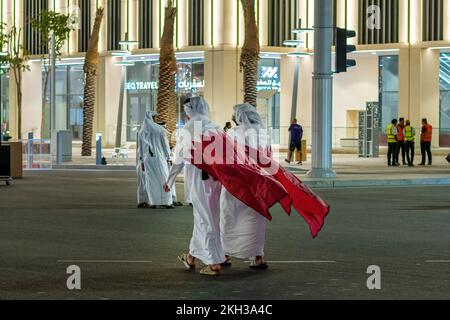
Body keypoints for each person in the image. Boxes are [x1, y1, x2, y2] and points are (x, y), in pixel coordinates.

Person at [164, 97, 225, 276]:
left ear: (190, 110)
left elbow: (180, 157)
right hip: (216, 180)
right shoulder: (216, 127)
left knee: (205, 218)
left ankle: (214, 262)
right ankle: (191, 256)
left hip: (199, 179)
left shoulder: (189, 129)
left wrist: (169, 180)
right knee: (206, 216)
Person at [219, 103, 269, 270]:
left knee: (229, 217)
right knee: (255, 220)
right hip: (257, 182)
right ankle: (258, 256)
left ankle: (225, 254)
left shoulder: (233, 133)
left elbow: (226, 157)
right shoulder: (263, 133)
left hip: (235, 183)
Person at [136, 111, 174, 209]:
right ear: (153, 118)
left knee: (151, 181)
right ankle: (166, 202)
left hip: (147, 160)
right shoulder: (159, 130)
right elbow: (165, 146)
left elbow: (139, 149)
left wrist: (141, 161)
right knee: (164, 178)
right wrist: (168, 157)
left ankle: (153, 202)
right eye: (155, 117)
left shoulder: (142, 131)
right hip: (159, 158)